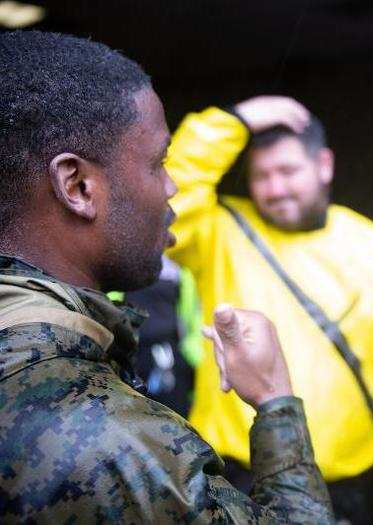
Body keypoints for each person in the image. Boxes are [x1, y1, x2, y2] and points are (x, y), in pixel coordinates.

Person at [0, 30, 333, 523]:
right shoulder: (114, 443)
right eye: (158, 163)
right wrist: (275, 399)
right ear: (78, 185)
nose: (173, 184)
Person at [167, 99, 373, 523]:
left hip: (349, 479)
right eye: (261, 176)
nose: (275, 189)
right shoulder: (222, 230)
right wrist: (234, 121)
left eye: (288, 171)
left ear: (324, 165)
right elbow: (171, 192)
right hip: (236, 476)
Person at [110, 256, 204, 418]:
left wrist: (193, 359)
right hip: (132, 353)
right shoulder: (122, 262)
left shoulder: (180, 270)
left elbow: (190, 317)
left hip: (169, 353)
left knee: (174, 413)